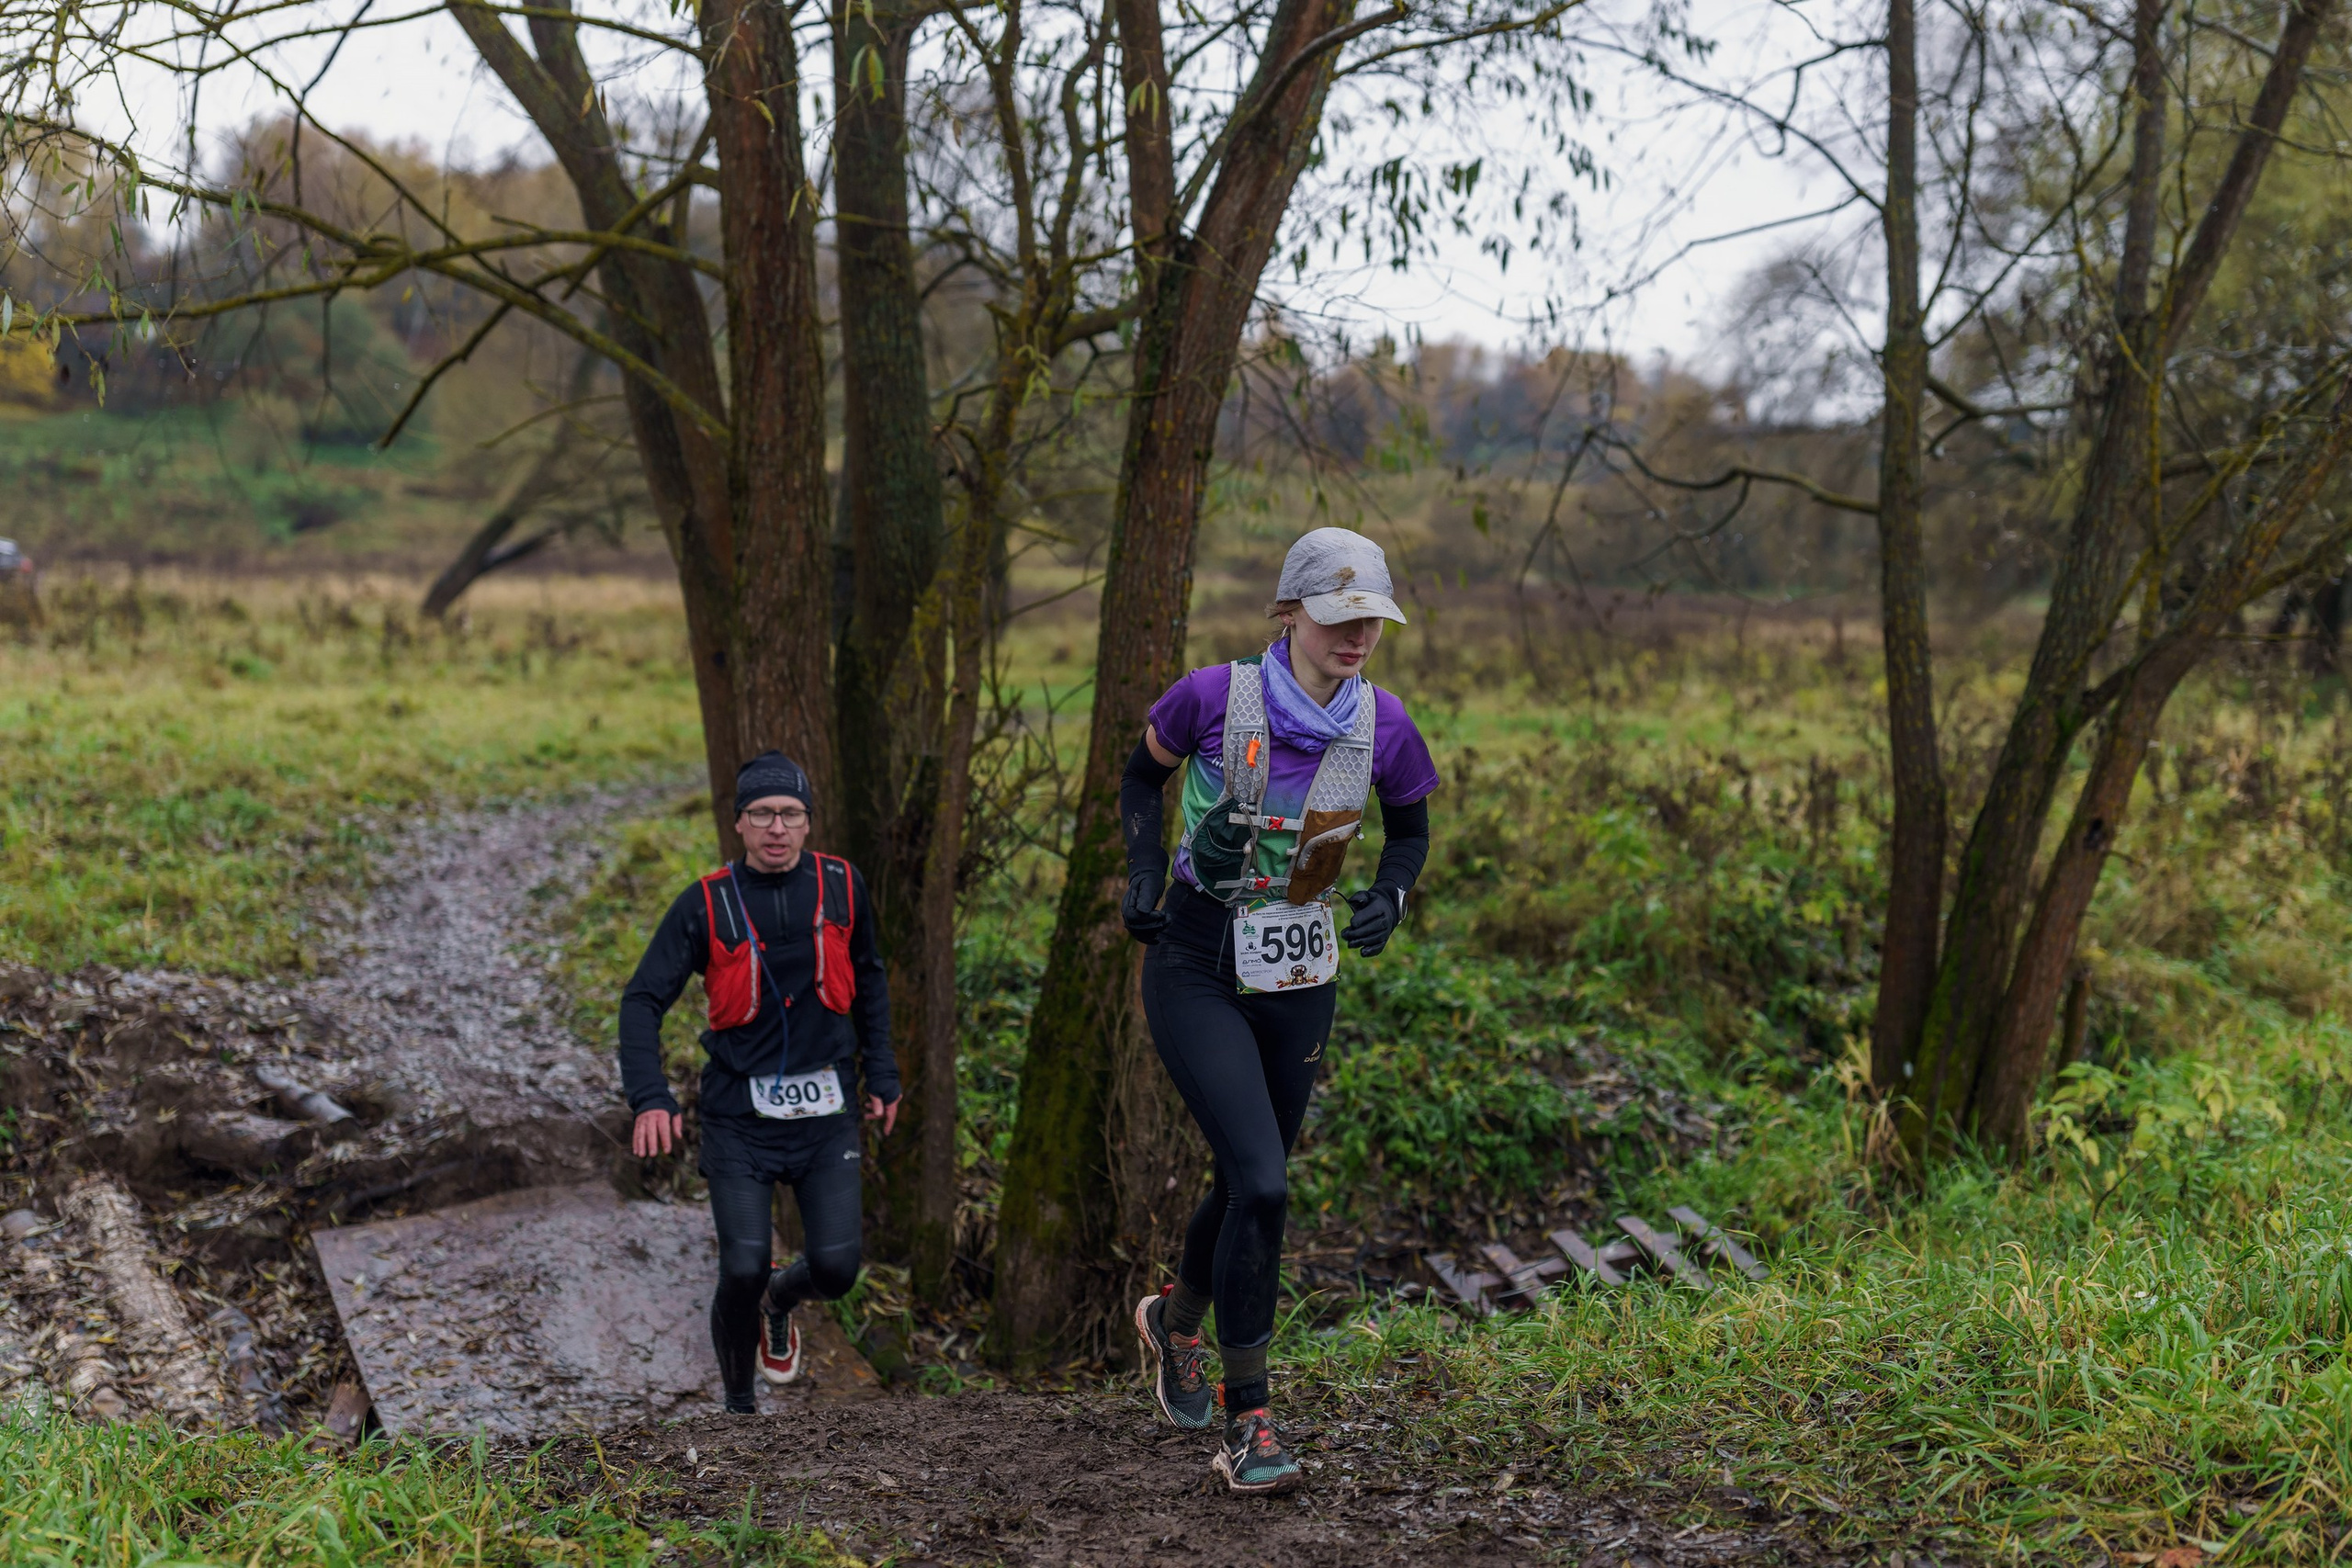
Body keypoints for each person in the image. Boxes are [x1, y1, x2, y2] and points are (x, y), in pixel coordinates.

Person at [1121, 527, 1438, 1495]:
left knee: (1251, 1178)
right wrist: (1141, 870)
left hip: (1301, 970)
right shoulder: (1212, 696)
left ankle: (1174, 1322)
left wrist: (1392, 891)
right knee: (1262, 1183)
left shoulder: (1384, 724)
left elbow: (1411, 827)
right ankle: (1249, 1418)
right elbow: (1142, 775)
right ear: (1291, 610)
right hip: (1197, 957)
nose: (1357, 637)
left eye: (1371, 621)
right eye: (1341, 618)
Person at [618, 751, 900, 1414]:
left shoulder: (844, 885)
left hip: (825, 1112)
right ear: (740, 824)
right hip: (737, 1118)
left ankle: (783, 1299)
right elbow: (641, 999)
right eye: (764, 814)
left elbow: (873, 981)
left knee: (835, 1269)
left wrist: (882, 1073)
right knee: (740, 1265)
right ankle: (739, 1408)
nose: (778, 827)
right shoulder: (705, 902)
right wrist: (651, 1096)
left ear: (808, 823)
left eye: (791, 814)